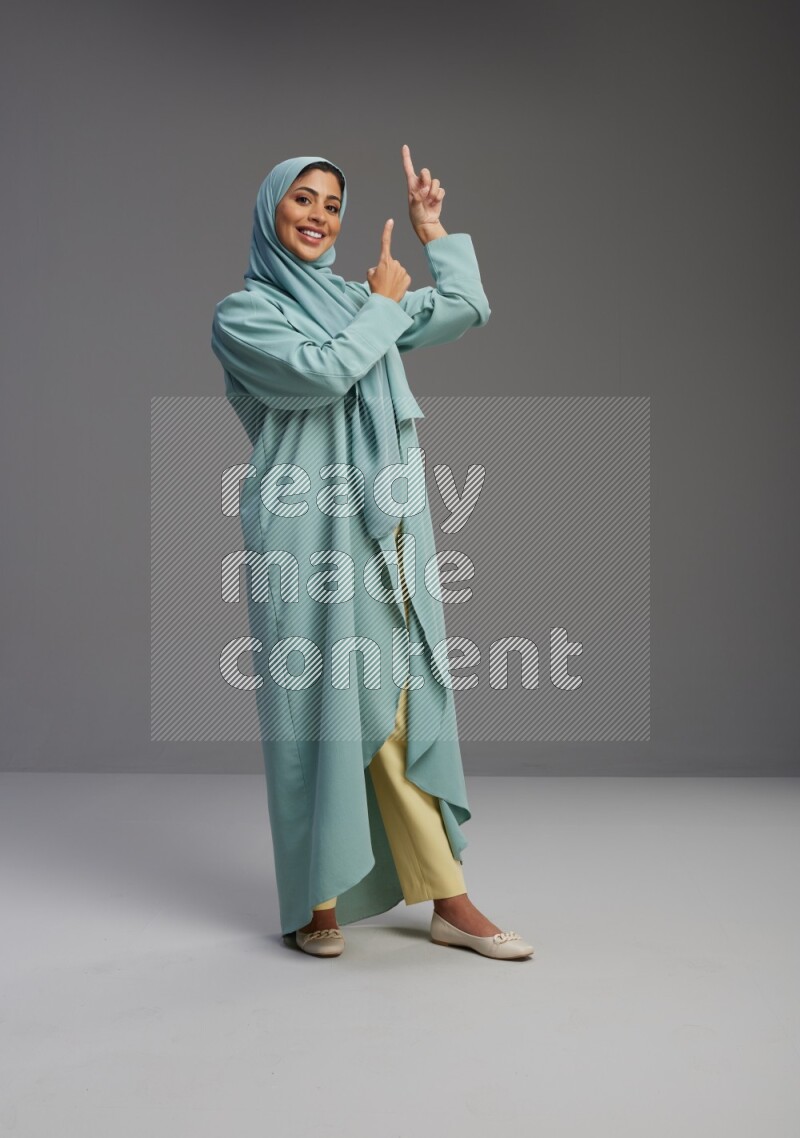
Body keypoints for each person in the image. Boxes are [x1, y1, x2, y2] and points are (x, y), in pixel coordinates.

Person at [211, 146, 533, 961]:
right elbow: (322, 375)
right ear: (271, 210)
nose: (319, 217)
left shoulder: (361, 297)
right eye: (304, 200)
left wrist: (432, 231)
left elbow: (465, 306)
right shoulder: (245, 315)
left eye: (332, 205)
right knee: (316, 713)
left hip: (385, 528)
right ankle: (314, 896)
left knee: (399, 705)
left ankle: (446, 897)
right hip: (303, 532)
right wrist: (384, 308)